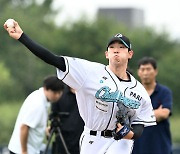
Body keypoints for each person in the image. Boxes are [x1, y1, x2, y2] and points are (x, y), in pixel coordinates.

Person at [4, 20, 156, 154]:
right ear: (106, 54)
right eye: (112, 47)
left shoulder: (139, 91)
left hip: (121, 143)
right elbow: (53, 59)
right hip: (93, 138)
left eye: (122, 47)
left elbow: (139, 125)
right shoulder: (90, 72)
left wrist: (129, 133)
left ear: (130, 54)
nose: (116, 49)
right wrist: (22, 37)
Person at [8, 75, 64, 154]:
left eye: (59, 92)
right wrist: (24, 151)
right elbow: (24, 127)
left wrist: (44, 129)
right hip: (22, 151)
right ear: (45, 88)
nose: (57, 96)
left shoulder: (41, 97)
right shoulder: (38, 104)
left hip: (29, 149)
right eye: (55, 92)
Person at [132, 57, 173, 154]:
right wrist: (155, 114)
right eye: (142, 69)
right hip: (137, 147)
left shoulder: (164, 92)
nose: (145, 73)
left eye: (148, 69)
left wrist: (136, 116)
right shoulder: (132, 92)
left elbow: (164, 114)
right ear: (138, 72)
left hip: (160, 147)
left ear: (155, 71)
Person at [51, 85, 84, 154]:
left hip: (83, 138)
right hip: (63, 138)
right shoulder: (60, 93)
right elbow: (54, 114)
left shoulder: (85, 93)